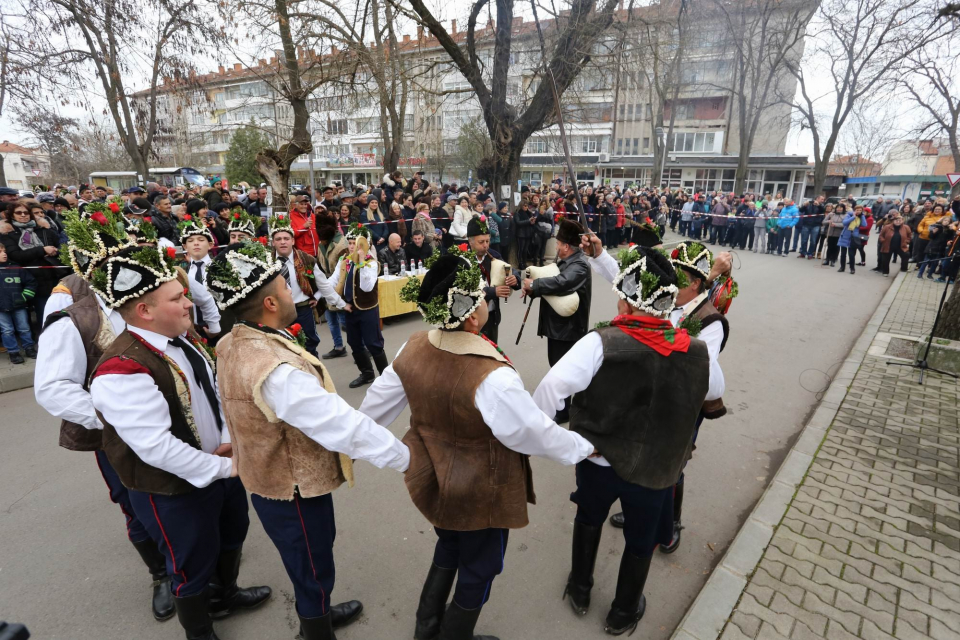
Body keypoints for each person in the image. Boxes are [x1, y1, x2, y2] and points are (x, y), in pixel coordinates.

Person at [360, 250, 595, 640]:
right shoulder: (491, 377)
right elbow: (531, 433)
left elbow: (372, 412)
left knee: (449, 544)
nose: (488, 302)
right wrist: (582, 447)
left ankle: (427, 627)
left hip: (436, 476)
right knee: (481, 567)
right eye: (483, 299)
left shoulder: (412, 346)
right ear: (472, 317)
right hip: (481, 489)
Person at [208, 241, 407, 639]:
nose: (292, 292)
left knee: (309, 559)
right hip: (292, 484)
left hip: (273, 476)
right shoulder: (274, 368)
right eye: (285, 287)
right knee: (312, 560)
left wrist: (239, 437)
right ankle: (315, 630)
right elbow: (337, 423)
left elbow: (236, 401)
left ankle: (317, 612)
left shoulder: (234, 340)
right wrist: (407, 457)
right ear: (268, 302)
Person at [88, 242, 271, 640]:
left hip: (219, 464)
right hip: (172, 487)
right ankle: (200, 633)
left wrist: (226, 440)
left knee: (231, 534)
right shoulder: (122, 369)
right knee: (190, 565)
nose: (189, 303)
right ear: (145, 311)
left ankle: (226, 595)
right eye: (177, 298)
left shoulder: (180, 338)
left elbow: (211, 395)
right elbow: (155, 447)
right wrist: (226, 466)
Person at [533, 245, 709, 636]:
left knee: (589, 517)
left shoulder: (601, 343)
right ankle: (623, 611)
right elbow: (712, 397)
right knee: (640, 539)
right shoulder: (696, 351)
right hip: (655, 468)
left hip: (598, 459)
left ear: (627, 303)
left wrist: (548, 440)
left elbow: (549, 391)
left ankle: (580, 589)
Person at [35, 208, 182, 622]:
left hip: (175, 422)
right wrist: (116, 419)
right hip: (117, 436)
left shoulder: (149, 297)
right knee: (135, 502)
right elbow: (52, 387)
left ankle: (195, 564)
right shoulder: (72, 313)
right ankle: (161, 575)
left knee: (181, 492)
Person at [521, 218, 591, 424]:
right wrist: (529, 287)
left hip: (568, 327)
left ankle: (564, 410)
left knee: (563, 369)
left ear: (567, 246)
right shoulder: (568, 260)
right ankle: (563, 407)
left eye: (559, 244)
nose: (557, 247)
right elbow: (552, 288)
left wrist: (534, 285)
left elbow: (562, 283)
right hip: (559, 325)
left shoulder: (579, 265)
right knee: (558, 366)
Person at [269, 214, 350, 358]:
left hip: (302, 310)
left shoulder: (306, 259)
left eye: (286, 238)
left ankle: (314, 377)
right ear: (273, 242)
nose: (282, 242)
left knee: (309, 346)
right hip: (278, 313)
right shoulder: (266, 263)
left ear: (293, 240)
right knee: (285, 349)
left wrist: (341, 304)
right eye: (278, 239)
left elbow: (323, 285)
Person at [329, 223, 386, 388]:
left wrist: (360, 262)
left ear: (364, 245)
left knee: (373, 343)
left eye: (355, 244)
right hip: (350, 309)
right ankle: (367, 373)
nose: (351, 246)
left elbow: (367, 287)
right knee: (354, 343)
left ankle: (385, 377)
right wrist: (320, 293)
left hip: (367, 309)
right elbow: (332, 282)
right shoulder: (344, 261)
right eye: (350, 243)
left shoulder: (371, 263)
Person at [0, 200, 61, 325]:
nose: (23, 215)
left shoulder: (43, 230)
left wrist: (56, 251)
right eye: (19, 213)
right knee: (38, 313)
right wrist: (42, 250)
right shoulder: (8, 234)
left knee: (56, 311)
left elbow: (60, 245)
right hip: (27, 279)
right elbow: (16, 255)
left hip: (51, 275)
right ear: (12, 215)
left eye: (26, 212)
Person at [466, 216, 519, 345]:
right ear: (470, 241)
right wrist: (492, 291)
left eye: (487, 241)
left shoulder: (493, 255)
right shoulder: (463, 259)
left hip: (491, 316)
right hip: (470, 318)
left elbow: (508, 269)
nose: (485, 245)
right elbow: (466, 288)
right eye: (481, 242)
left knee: (492, 351)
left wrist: (514, 279)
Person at [179, 216, 223, 342]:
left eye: (201, 239)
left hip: (220, 328)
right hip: (192, 329)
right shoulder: (182, 272)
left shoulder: (220, 268)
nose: (196, 243)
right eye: (191, 241)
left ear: (210, 245)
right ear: (185, 247)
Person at [0, 243, 36, 363]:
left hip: (19, 304)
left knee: (24, 328)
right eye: (0, 252)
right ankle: (13, 352)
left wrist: (25, 296)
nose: (4, 254)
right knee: (7, 330)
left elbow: (31, 282)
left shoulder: (16, 268)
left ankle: (29, 348)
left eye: (4, 251)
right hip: (1, 307)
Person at [877, 213, 911, 277]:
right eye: (896, 220)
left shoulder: (906, 227)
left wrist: (907, 241)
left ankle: (904, 268)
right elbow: (881, 235)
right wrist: (883, 241)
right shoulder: (887, 227)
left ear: (902, 221)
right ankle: (885, 271)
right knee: (886, 259)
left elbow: (909, 235)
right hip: (888, 245)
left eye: (899, 220)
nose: (898, 222)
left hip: (901, 246)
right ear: (893, 221)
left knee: (906, 255)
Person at [837, 206, 864, 274]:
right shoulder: (849, 215)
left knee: (851, 254)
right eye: (857, 210)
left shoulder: (861, 217)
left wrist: (862, 216)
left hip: (853, 237)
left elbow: (864, 224)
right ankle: (842, 267)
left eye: (860, 210)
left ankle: (852, 268)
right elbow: (845, 223)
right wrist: (853, 217)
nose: (858, 211)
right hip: (845, 235)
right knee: (843, 253)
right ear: (854, 210)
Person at [514, 199, 535, 269]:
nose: (526, 207)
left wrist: (532, 222)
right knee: (521, 249)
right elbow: (518, 222)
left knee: (526, 249)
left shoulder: (529, 213)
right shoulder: (518, 213)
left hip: (528, 233)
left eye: (527, 206)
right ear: (521, 206)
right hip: (521, 233)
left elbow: (530, 222)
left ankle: (524, 262)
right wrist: (528, 221)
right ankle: (520, 263)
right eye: (525, 206)